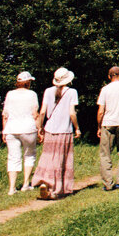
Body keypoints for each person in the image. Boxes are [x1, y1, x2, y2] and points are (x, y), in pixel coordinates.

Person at [33, 67, 80, 200]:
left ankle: (44, 182)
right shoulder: (72, 92)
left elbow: (42, 112)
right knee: (61, 159)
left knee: (47, 157)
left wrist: (40, 127)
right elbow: (72, 113)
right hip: (64, 131)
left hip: (49, 129)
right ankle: (56, 189)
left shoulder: (48, 91)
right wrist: (77, 128)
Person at [2, 71, 39, 195]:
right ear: (27, 82)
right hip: (28, 128)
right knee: (29, 155)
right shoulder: (32, 94)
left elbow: (5, 115)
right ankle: (25, 184)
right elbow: (35, 114)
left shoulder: (10, 94)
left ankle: (12, 188)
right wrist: (40, 130)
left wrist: (4, 131)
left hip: (11, 129)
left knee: (13, 158)